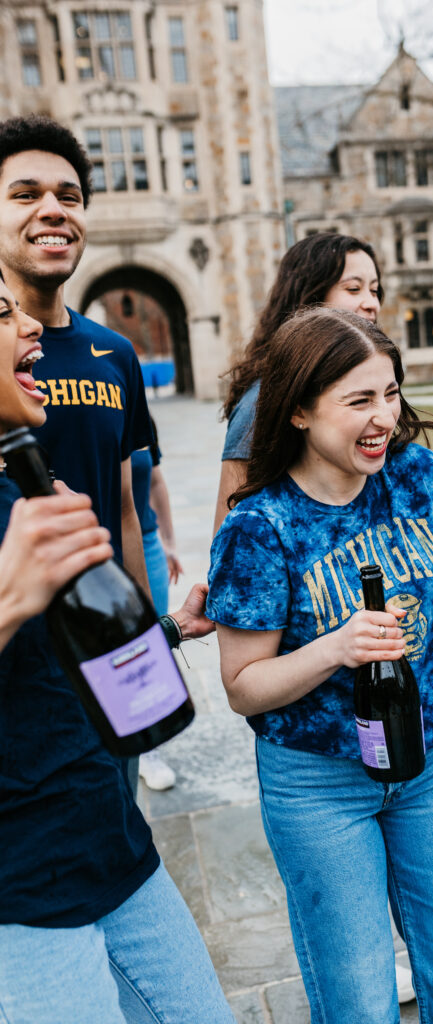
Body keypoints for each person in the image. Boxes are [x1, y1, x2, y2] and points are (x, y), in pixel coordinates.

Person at [207, 307, 433, 1024]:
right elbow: (242, 688)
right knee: (358, 1001)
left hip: (432, 763)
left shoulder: (415, 475)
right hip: (318, 785)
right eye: (358, 400)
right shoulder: (257, 528)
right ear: (297, 409)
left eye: (389, 393)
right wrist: (335, 646)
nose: (383, 418)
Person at [0, 268, 236, 1022]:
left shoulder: (18, 487)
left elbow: (45, 664)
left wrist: (166, 632)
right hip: (21, 891)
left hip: (108, 834)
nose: (31, 326)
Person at [0, 113, 155, 794]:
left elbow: (126, 513)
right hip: (16, 679)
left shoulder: (114, 353)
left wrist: (152, 642)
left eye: (68, 195)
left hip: (106, 658)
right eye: (25, 193)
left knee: (118, 823)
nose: (51, 210)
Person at [213, 231, 382, 533]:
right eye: (354, 289)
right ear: (310, 297)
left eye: (375, 290)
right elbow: (229, 531)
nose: (371, 303)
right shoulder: (262, 400)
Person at [132, 418, 183, 791]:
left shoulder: (139, 415)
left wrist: (168, 542)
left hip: (146, 540)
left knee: (153, 641)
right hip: (94, 539)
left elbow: (156, 481)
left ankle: (150, 746)